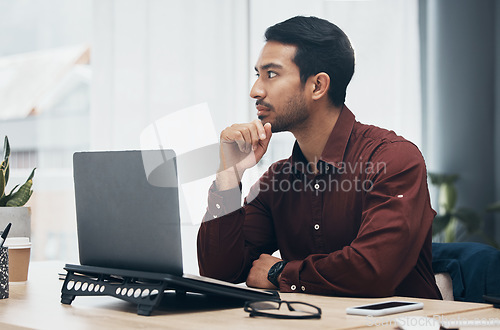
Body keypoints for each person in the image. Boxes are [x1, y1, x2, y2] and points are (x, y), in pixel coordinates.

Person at [197, 16, 442, 299]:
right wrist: (229, 175)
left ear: (317, 86)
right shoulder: (278, 180)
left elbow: (372, 271)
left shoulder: (393, 159)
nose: (256, 91)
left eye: (271, 74)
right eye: (258, 75)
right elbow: (219, 272)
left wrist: (280, 273)